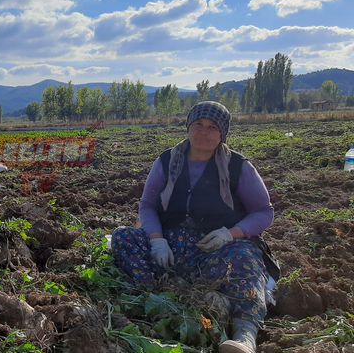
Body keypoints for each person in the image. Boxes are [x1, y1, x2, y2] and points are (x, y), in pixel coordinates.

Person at [111, 101, 279, 353]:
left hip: (217, 250)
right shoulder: (167, 161)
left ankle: (245, 336)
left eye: (212, 127)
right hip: (172, 247)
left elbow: (264, 212)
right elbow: (147, 205)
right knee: (123, 237)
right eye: (198, 124)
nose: (204, 132)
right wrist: (157, 240)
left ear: (222, 133)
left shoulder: (238, 167)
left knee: (246, 257)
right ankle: (157, 298)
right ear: (188, 127)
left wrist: (229, 234)